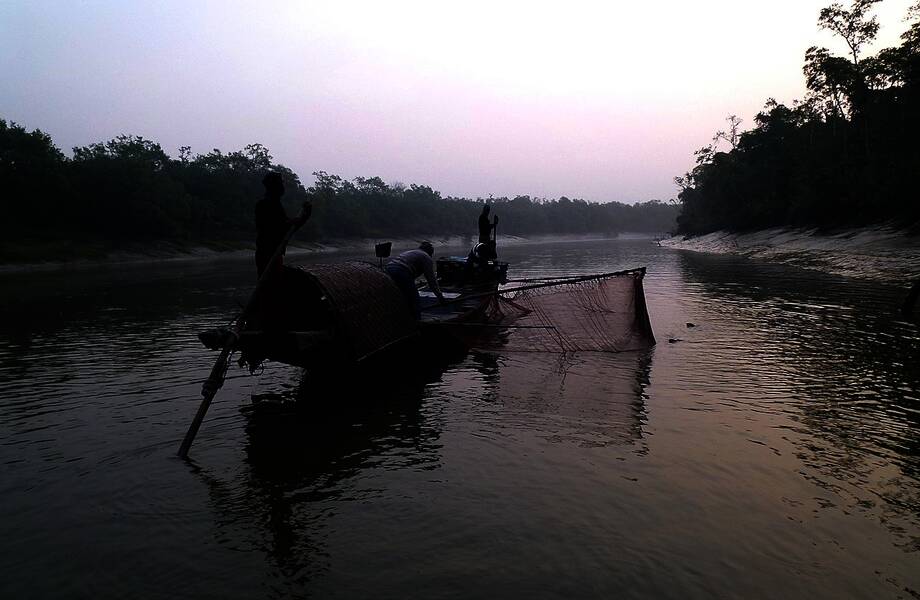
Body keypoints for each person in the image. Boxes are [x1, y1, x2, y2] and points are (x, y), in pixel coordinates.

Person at [255, 172, 311, 278]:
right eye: (280, 184)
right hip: (267, 255)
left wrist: (304, 217)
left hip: (276, 254)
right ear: (273, 187)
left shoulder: (276, 205)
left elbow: (288, 229)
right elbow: (275, 229)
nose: (283, 187)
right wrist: (298, 219)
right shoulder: (264, 205)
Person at [385, 241, 445, 318]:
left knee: (397, 295)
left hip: (388, 269)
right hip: (401, 271)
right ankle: (416, 320)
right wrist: (440, 297)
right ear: (430, 252)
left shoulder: (411, 252)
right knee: (414, 299)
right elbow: (432, 281)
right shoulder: (426, 257)